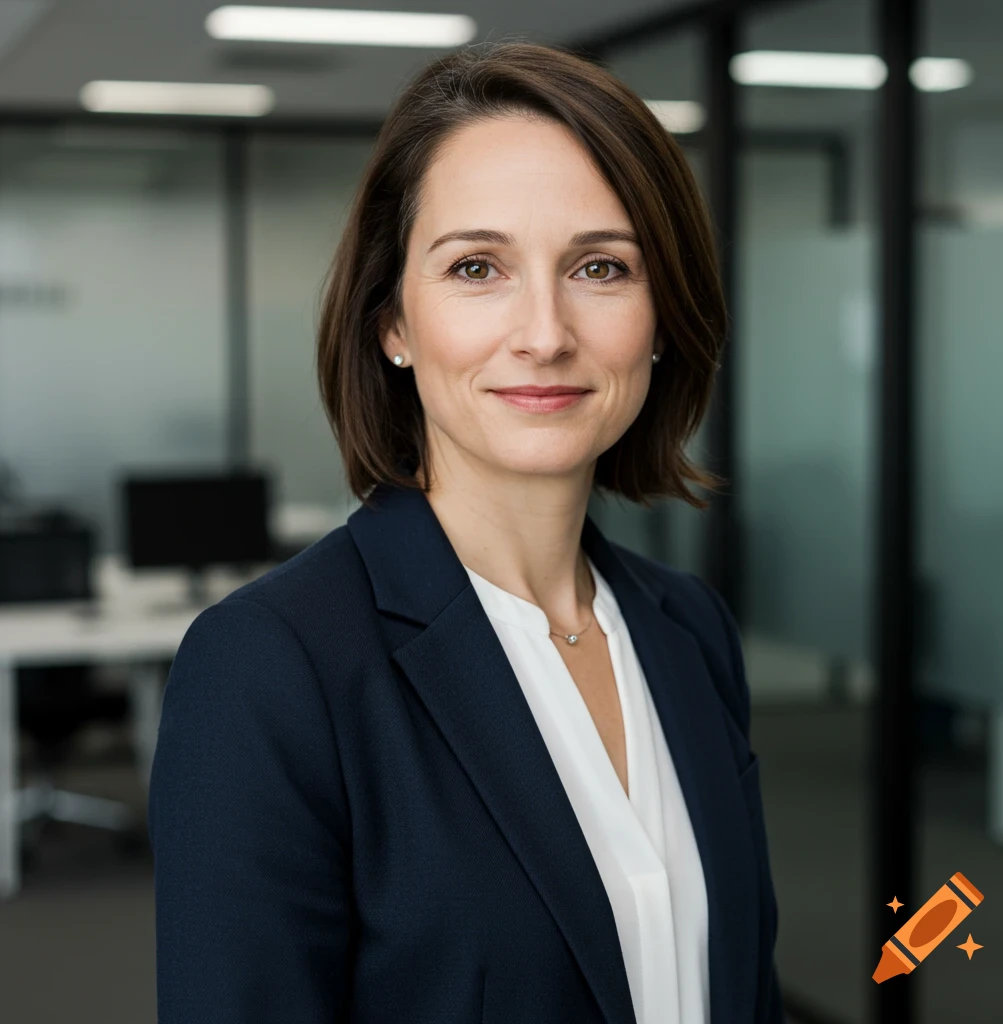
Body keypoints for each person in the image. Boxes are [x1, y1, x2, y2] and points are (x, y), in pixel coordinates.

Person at [148, 41, 783, 1024]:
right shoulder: (271, 664)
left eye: (601, 267)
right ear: (392, 322)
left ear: (661, 320)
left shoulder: (687, 629)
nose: (543, 331)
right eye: (477, 267)